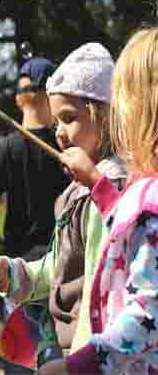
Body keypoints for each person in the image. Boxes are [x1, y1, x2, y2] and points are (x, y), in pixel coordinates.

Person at [0, 42, 128, 367]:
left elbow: (101, 285)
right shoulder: (75, 192)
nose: (59, 133)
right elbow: (59, 267)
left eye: (69, 118)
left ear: (104, 117)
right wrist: (16, 275)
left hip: (95, 355)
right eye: (56, 123)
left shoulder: (111, 186)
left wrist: (79, 363)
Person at [32, 29, 158, 374]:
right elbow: (126, 233)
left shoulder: (145, 194)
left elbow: (148, 312)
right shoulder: (137, 189)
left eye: (122, 100)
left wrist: (82, 365)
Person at [0, 57, 69, 261]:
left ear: (18, 100)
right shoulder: (67, 142)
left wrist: (1, 199)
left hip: (22, 270)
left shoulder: (7, 148)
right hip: (62, 264)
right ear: (52, 96)